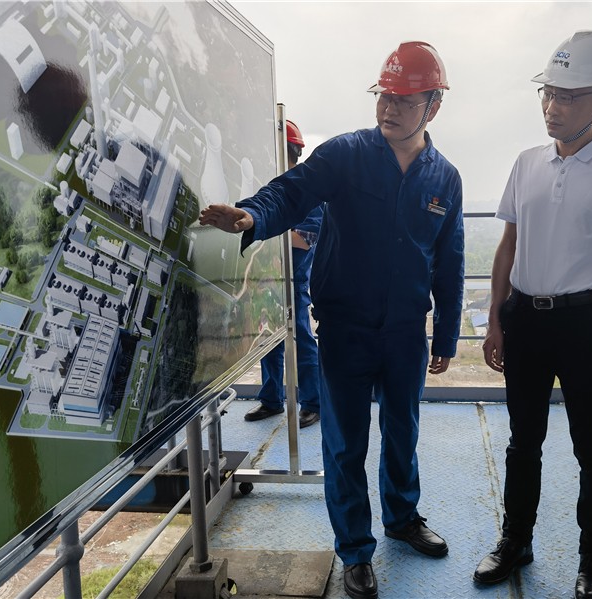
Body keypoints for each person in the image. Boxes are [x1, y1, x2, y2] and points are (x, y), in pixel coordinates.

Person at [200, 41, 464, 599]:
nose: (390, 109)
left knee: (403, 432)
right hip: (346, 329)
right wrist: (252, 214)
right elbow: (291, 192)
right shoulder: (346, 154)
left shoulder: (445, 178)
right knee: (345, 444)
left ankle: (402, 518)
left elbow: (450, 259)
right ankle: (356, 551)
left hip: (405, 334)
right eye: (384, 97)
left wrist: (445, 334)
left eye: (405, 101)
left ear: (434, 107)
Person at [474, 31, 592, 599]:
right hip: (524, 318)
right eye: (548, 93)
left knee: (591, 446)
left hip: (583, 322)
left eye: (569, 96)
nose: (553, 107)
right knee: (522, 440)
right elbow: (508, 246)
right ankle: (515, 540)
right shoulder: (527, 163)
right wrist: (497, 318)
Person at [244, 119, 323, 429]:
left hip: (293, 281)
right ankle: (272, 399)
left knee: (301, 341)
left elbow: (306, 238)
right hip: (269, 279)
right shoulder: (272, 190)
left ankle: (313, 403)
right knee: (268, 340)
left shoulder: (306, 191)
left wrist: (264, 227)